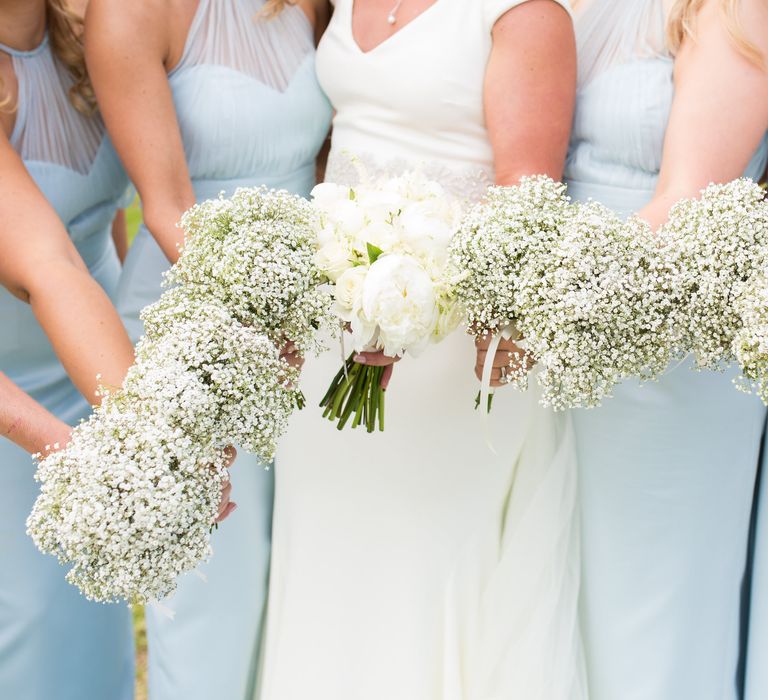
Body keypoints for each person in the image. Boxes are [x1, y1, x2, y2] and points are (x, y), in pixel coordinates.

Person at [259, 2, 584, 699]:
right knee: (327, 552)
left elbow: (526, 196)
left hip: (445, 337)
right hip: (332, 331)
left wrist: (408, 306)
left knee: (417, 561)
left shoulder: (525, 15)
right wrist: (343, 284)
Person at [84, 0, 333, 697]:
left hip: (313, 318)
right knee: (211, 598)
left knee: (304, 575)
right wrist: (260, 318)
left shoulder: (304, 5)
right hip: (196, 323)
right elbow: (164, 208)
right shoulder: (129, 14)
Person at [564, 0, 768, 697]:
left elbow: (688, 197)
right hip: (573, 347)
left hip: (662, 350)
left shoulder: (734, 11)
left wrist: (560, 289)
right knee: (570, 609)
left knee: (648, 616)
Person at [0, 0, 136, 697]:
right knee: (31, 629)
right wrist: (110, 448)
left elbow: (95, 232)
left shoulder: (88, 34)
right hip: (13, 407)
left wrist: (127, 421)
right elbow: (47, 262)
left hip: (98, 372)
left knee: (95, 624)